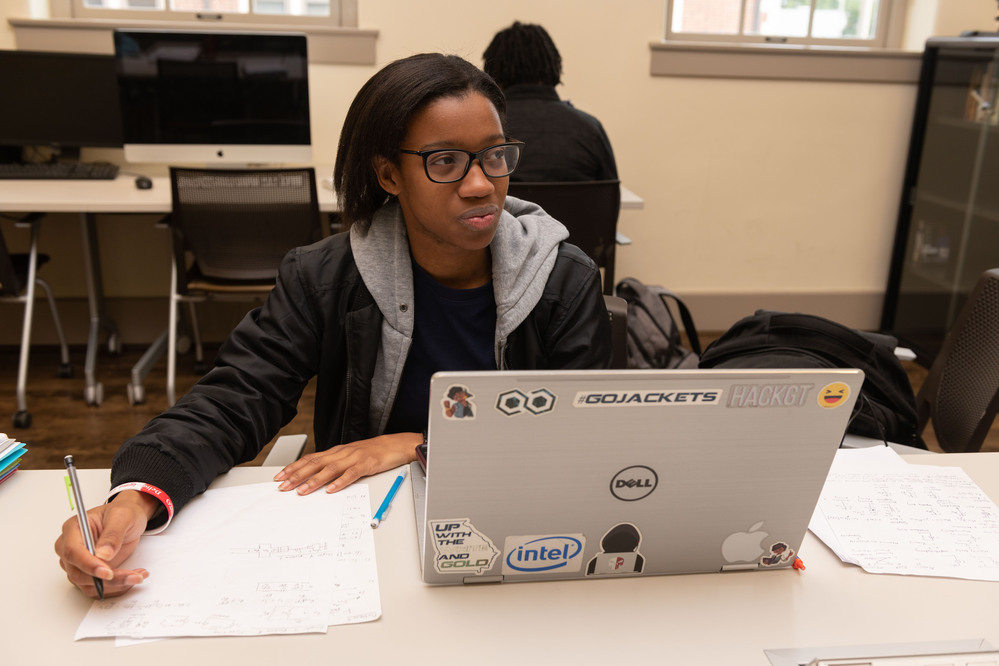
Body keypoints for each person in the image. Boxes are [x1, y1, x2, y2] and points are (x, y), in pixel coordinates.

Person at [54, 53, 613, 599]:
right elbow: (236, 397)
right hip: (362, 531)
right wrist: (137, 496)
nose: (480, 185)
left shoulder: (564, 282)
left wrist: (419, 445)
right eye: (445, 162)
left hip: (515, 530)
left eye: (495, 156)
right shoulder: (325, 276)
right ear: (389, 174)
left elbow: (576, 444)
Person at [483, 21, 618, 182]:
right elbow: (609, 200)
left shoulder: (483, 127)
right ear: (552, 67)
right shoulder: (590, 130)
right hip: (572, 208)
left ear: (494, 74)